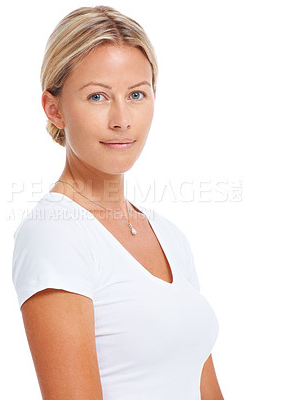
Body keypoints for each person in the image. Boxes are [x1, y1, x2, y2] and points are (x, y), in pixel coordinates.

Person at [12, 5, 224, 400]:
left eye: (137, 94)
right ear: (54, 108)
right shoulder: (54, 235)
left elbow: (204, 388)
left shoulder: (169, 235)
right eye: (97, 96)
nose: (122, 119)